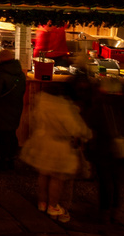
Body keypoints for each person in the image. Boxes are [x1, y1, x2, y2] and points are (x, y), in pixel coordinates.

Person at [20, 83, 91, 224]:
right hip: (59, 146)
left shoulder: (41, 101)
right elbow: (75, 128)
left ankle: (42, 202)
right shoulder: (64, 106)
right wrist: (86, 134)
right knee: (56, 177)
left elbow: (31, 119)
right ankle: (53, 206)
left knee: (43, 174)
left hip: (42, 142)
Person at [84, 76, 124, 223]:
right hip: (120, 146)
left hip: (103, 146)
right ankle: (116, 209)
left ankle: (104, 210)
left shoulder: (100, 105)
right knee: (116, 179)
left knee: (104, 180)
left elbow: (90, 123)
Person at [0, 48, 27, 170]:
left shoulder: (1, 73)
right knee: (11, 133)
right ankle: (11, 159)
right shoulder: (20, 73)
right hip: (15, 107)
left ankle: (4, 160)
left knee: (3, 135)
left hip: (2, 108)